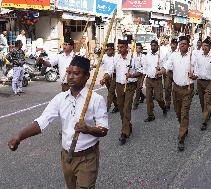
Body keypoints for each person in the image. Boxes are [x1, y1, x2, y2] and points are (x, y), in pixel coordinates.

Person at [8, 56, 109, 189]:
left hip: (87, 158)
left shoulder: (96, 99)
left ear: (86, 76)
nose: (71, 77)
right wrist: (19, 136)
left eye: (76, 73)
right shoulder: (60, 98)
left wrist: (88, 129)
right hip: (66, 156)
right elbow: (42, 121)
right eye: (69, 72)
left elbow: (104, 130)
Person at [100, 39, 142, 145]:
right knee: (122, 109)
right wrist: (104, 79)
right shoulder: (116, 59)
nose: (119, 49)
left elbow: (141, 71)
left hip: (130, 86)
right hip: (119, 86)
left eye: (122, 47)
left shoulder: (134, 59)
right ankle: (128, 126)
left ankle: (124, 133)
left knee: (127, 108)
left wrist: (132, 75)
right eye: (118, 47)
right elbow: (110, 71)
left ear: (127, 48)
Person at [158, 36, 194, 151]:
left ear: (188, 45)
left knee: (184, 113)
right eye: (180, 44)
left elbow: (197, 72)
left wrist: (194, 76)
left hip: (188, 88)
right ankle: (184, 126)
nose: (182, 45)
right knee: (178, 112)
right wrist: (161, 71)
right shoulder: (174, 56)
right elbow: (167, 66)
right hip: (176, 88)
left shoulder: (193, 57)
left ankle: (181, 138)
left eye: (184, 44)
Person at [192, 38, 211, 131]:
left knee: (207, 101)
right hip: (200, 81)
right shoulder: (198, 55)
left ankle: (204, 121)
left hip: (210, 82)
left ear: (210, 47)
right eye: (203, 46)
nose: (205, 47)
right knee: (202, 101)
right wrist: (194, 75)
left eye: (207, 46)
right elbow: (195, 66)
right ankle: (207, 113)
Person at [143, 40, 167, 122]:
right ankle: (150, 115)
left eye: (154, 45)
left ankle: (163, 107)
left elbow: (165, 67)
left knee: (158, 98)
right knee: (148, 98)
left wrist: (160, 69)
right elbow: (145, 67)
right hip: (149, 79)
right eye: (152, 45)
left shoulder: (162, 56)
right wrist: (144, 78)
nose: (153, 47)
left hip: (157, 80)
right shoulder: (147, 55)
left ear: (157, 46)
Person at [101, 43, 119, 113]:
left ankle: (106, 109)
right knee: (111, 92)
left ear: (113, 50)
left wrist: (103, 79)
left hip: (114, 76)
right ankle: (117, 105)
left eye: (109, 50)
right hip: (106, 76)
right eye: (107, 50)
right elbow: (101, 64)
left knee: (110, 93)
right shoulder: (104, 56)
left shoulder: (116, 57)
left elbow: (112, 70)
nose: (108, 51)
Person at [164, 38, 179, 110]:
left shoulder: (179, 52)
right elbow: (166, 62)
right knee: (167, 88)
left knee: (176, 89)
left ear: (177, 45)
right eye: (172, 44)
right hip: (169, 72)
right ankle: (167, 103)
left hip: (176, 72)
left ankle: (177, 103)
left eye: (175, 44)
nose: (173, 45)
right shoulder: (168, 52)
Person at [132, 43, 146, 110]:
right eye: (137, 48)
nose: (138, 49)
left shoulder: (143, 57)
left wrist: (142, 80)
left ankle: (135, 103)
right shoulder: (133, 56)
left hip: (141, 73)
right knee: (135, 87)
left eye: (139, 48)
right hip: (134, 73)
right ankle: (142, 96)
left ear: (141, 49)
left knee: (138, 89)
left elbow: (144, 68)